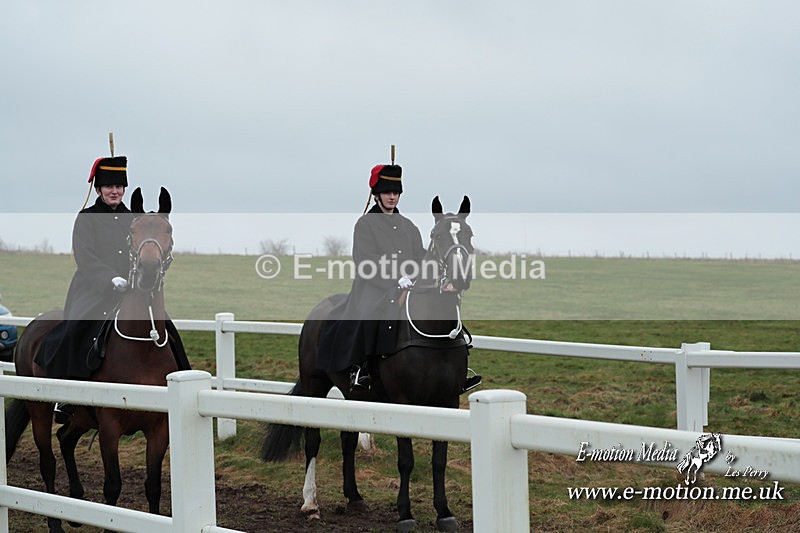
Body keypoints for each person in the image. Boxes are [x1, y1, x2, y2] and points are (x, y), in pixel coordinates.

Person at [35, 155, 190, 420]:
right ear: (98, 189)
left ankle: (185, 386)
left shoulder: (135, 218)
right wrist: (109, 279)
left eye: (119, 186)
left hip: (133, 288)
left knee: (166, 327)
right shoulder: (87, 217)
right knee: (77, 327)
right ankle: (66, 397)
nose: (115, 191)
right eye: (109, 186)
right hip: (93, 288)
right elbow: (84, 256)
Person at [317, 162, 427, 391]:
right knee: (371, 314)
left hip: (409, 286)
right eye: (387, 192)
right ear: (376, 194)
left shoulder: (409, 226)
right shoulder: (365, 224)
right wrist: (395, 280)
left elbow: (419, 255)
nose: (392, 197)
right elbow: (365, 261)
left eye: (396, 192)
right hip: (374, 287)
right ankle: (361, 369)